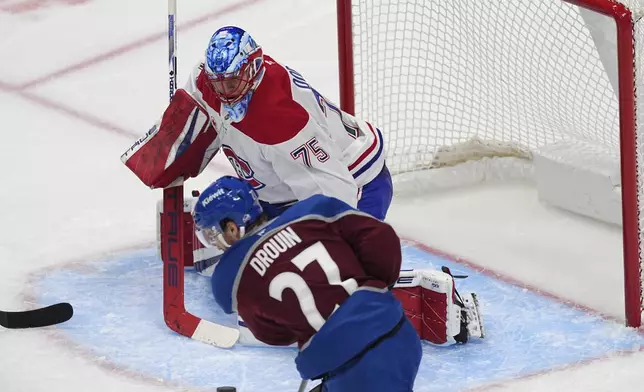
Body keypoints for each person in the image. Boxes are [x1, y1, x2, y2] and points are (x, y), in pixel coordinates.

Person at [191, 176, 485, 392]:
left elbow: (271, 334)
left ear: (232, 226)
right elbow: (382, 239)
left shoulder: (229, 277)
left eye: (213, 233)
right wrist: (371, 292)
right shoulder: (313, 209)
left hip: (352, 368)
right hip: (395, 330)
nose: (213, 242)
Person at [182, 25, 392, 220]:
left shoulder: (280, 120)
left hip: (356, 180)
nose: (225, 93)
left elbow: (335, 192)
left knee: (333, 254)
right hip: (286, 187)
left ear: (253, 68)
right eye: (218, 84)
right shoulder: (206, 81)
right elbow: (185, 123)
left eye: (232, 83)